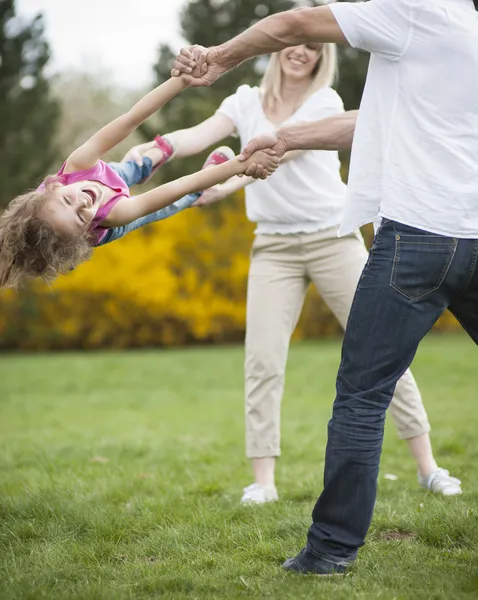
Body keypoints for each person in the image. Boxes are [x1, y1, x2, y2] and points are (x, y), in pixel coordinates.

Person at [171, 0, 478, 574]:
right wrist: (286, 137)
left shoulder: (418, 12)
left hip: (414, 237)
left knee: (363, 395)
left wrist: (218, 57)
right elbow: (377, 123)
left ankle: (330, 553)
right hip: (472, 234)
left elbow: (292, 23)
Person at [0, 76, 278, 289]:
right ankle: (200, 195)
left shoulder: (76, 166)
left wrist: (179, 81)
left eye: (67, 201)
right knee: (166, 205)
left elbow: (130, 119)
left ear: (55, 185)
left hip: (95, 177)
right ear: (85, 231)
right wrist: (240, 164)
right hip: (111, 211)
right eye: (79, 217)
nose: (81, 203)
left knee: (124, 171)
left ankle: (149, 161)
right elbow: (178, 186)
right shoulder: (114, 216)